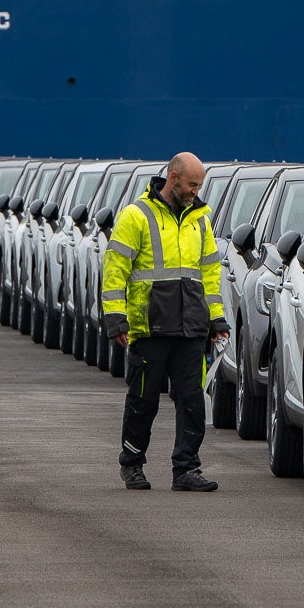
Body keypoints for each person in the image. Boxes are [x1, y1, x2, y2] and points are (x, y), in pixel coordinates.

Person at [102, 152, 229, 491]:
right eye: (191, 184)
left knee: (192, 400)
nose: (195, 190)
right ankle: (132, 464)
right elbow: (115, 269)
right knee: (143, 400)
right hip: (149, 328)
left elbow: (210, 274)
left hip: (191, 327)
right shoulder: (135, 216)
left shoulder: (200, 220)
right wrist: (116, 320)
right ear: (173, 179)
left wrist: (216, 319)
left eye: (199, 185)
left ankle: (186, 470)